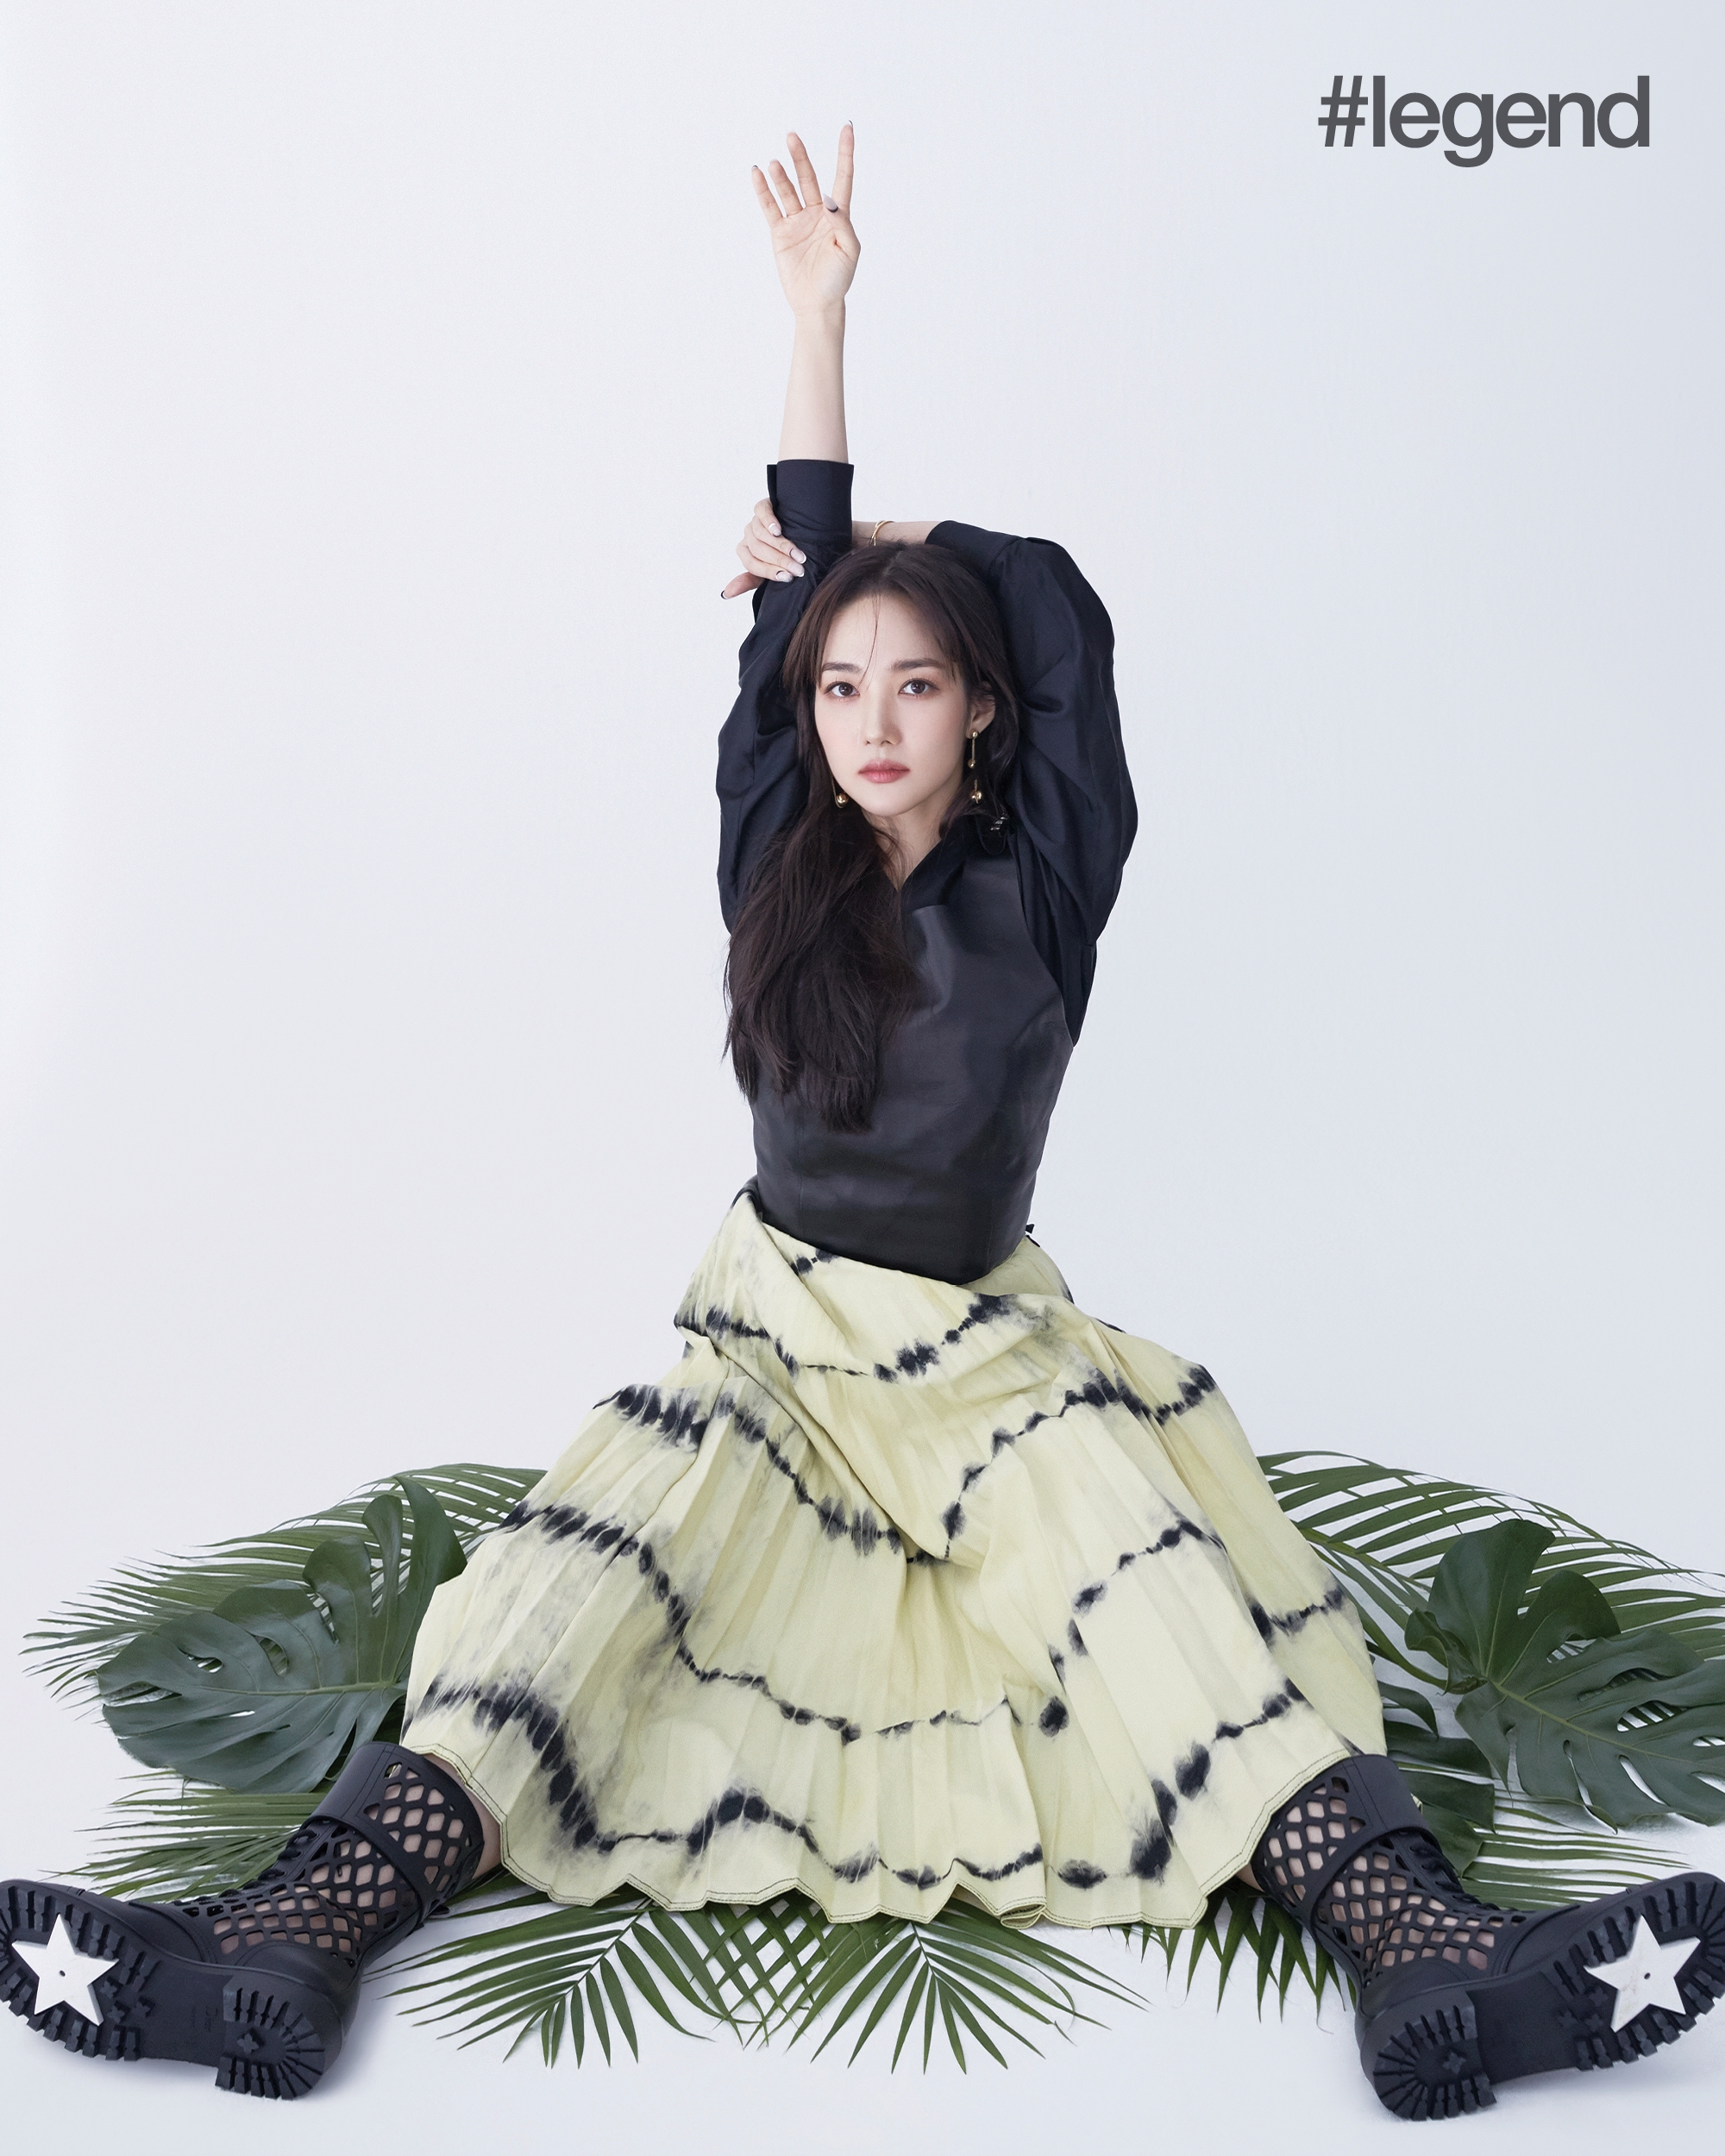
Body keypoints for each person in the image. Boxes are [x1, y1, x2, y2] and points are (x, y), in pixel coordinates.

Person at [3, 127, 1721, 2120]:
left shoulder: (1045, 876)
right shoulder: (773, 861)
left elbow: (1062, 620)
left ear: (979, 707)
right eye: (839, 688)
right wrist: (809, 330)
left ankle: (1430, 1952)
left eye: (917, 684)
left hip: (985, 1356)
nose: (874, 718)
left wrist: (897, 540)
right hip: (772, 1346)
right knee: (566, 1582)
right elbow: (788, 626)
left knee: (1155, 1585)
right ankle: (283, 1934)